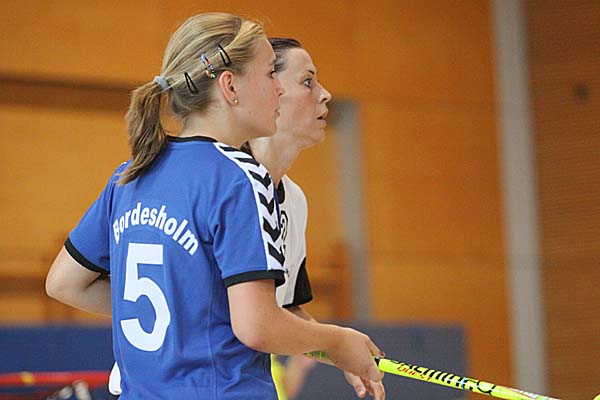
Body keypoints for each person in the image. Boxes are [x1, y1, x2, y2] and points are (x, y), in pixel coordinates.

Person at [45, 12, 383, 400]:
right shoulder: (241, 177)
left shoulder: (129, 175)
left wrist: (188, 313)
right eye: (270, 74)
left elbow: (64, 282)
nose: (278, 89)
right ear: (230, 86)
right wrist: (337, 341)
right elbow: (257, 326)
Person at [245, 38, 385, 400]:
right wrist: (335, 340)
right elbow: (253, 322)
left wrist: (339, 352)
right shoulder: (227, 186)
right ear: (269, 90)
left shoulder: (294, 200)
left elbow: (285, 307)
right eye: (308, 82)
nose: (325, 95)